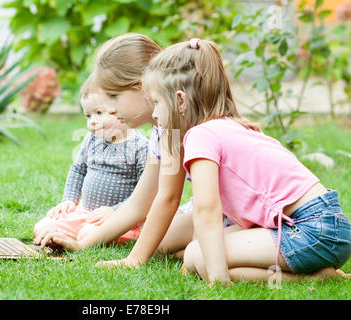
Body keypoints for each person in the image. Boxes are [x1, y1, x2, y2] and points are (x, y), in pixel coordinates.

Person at [137, 37, 351, 286]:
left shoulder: (200, 135)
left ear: (180, 100)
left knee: (199, 256)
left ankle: (311, 278)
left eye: (156, 103)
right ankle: (314, 272)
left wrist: (214, 274)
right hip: (330, 227)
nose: (153, 113)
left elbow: (206, 210)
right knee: (199, 252)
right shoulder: (235, 127)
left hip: (310, 232)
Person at [37, 33, 235, 259]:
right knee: (160, 245)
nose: (109, 109)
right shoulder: (163, 132)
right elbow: (137, 205)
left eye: (113, 95)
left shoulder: (180, 127)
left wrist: (134, 260)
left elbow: (169, 199)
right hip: (215, 212)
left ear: (141, 88)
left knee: (185, 252)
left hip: (228, 214)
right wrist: (83, 244)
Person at [33, 75, 148, 245]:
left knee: (88, 233)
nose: (93, 122)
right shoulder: (91, 140)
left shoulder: (140, 147)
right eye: (88, 116)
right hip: (85, 212)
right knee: (44, 225)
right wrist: (69, 200)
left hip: (117, 218)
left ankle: (118, 236)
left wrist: (114, 211)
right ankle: (61, 234)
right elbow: (78, 170)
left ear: (120, 109)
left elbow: (144, 192)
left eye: (99, 113)